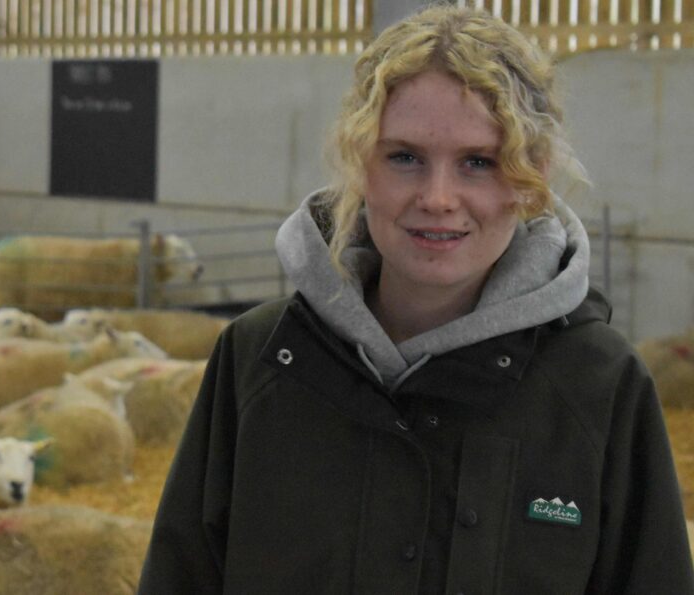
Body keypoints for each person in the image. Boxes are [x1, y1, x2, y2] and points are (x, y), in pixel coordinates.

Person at [138, 5, 694, 594]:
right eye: (404, 157)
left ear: (532, 174)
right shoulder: (262, 359)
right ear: (359, 163)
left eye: (478, 162)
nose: (437, 197)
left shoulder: (598, 385)